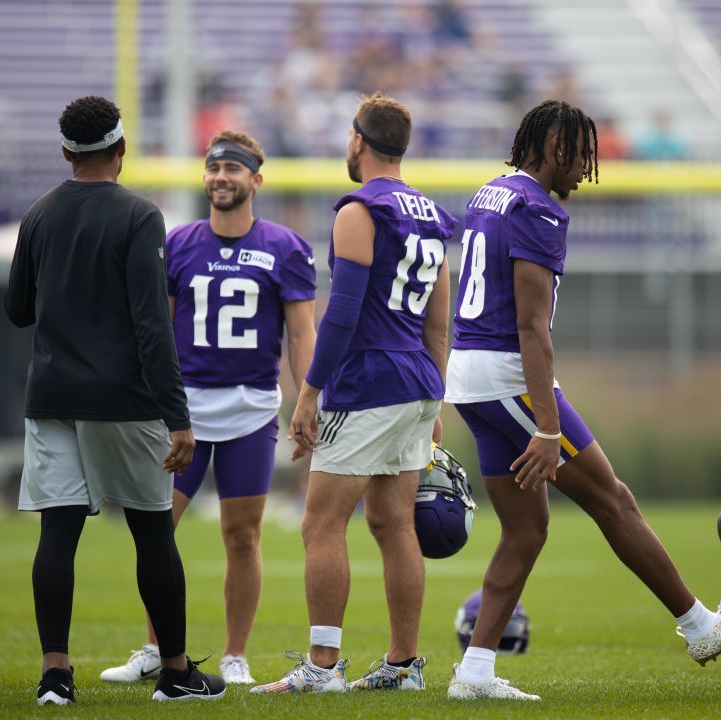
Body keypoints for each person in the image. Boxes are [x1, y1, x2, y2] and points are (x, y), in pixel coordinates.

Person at [443, 100, 721, 701]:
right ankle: (699, 626)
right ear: (553, 150)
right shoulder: (538, 210)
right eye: (580, 156)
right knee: (614, 499)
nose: (586, 170)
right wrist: (547, 426)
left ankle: (474, 673)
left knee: (525, 531)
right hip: (509, 376)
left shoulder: (490, 192)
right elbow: (531, 328)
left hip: (468, 376)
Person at [5, 96, 225, 704]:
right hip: (123, 401)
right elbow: (152, 327)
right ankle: (176, 674)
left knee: (58, 534)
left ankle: (56, 675)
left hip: (50, 396)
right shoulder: (139, 216)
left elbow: (17, 308)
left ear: (65, 151)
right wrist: (178, 419)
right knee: (153, 532)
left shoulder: (39, 214)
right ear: (121, 150)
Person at [250, 92, 457, 694]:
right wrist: (433, 398)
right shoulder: (431, 214)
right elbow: (438, 324)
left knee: (320, 524)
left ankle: (321, 667)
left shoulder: (358, 209)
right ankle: (403, 665)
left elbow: (340, 316)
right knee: (395, 525)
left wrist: (309, 393)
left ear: (357, 141)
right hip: (416, 379)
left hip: (369, 380)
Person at [99, 130, 318, 686]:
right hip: (184, 413)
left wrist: (305, 400)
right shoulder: (179, 243)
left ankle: (234, 654)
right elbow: (157, 330)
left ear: (256, 180)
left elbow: (301, 334)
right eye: (214, 168)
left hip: (249, 410)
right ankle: (156, 648)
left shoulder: (285, 247)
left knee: (242, 537)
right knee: (158, 532)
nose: (222, 177)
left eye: (234, 169)